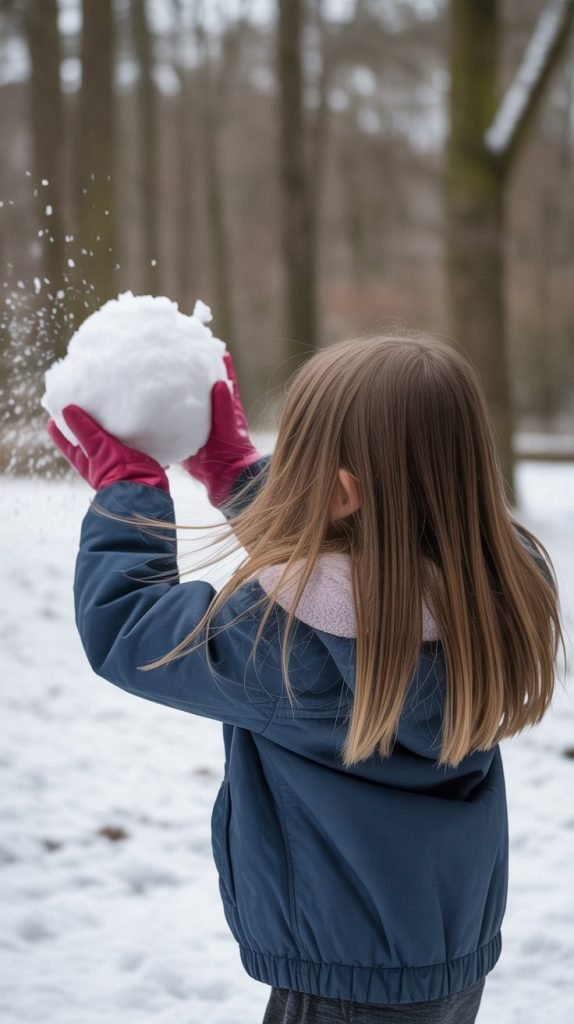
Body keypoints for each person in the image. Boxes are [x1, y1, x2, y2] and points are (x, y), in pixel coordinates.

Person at [46, 333, 565, 1024]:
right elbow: (358, 552)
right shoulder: (499, 588)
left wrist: (128, 494)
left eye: (295, 460)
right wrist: (237, 475)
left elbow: (127, 626)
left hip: (338, 985)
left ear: (341, 493)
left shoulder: (291, 647)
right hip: (445, 956)